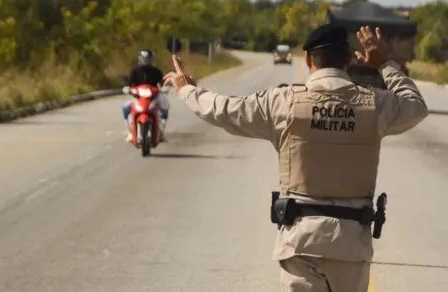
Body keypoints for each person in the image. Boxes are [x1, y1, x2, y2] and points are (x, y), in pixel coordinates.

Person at [163, 24, 428, 292]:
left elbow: (224, 110)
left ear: (310, 60)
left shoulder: (283, 102)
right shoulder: (375, 105)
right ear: (348, 59)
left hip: (301, 242)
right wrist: (385, 65)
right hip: (351, 246)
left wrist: (187, 89)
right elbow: (415, 106)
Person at [123, 48, 170, 142]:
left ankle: (161, 132)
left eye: (148, 59)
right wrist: (127, 88)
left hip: (154, 96)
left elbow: (162, 82)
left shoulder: (156, 71)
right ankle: (131, 132)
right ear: (140, 59)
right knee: (126, 107)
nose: (146, 61)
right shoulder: (135, 71)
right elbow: (129, 83)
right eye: (144, 59)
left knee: (165, 106)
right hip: (138, 97)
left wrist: (164, 88)